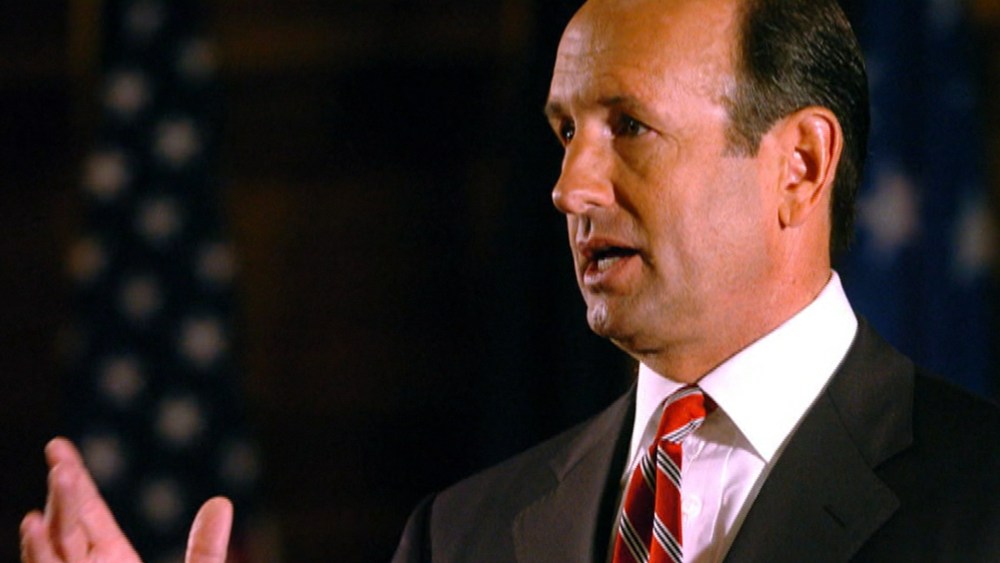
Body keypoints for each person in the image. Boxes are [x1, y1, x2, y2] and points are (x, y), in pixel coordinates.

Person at [19, 0, 1000, 561]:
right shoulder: (463, 534)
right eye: (566, 131)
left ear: (799, 165)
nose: (570, 185)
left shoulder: (983, 496)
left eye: (630, 126)